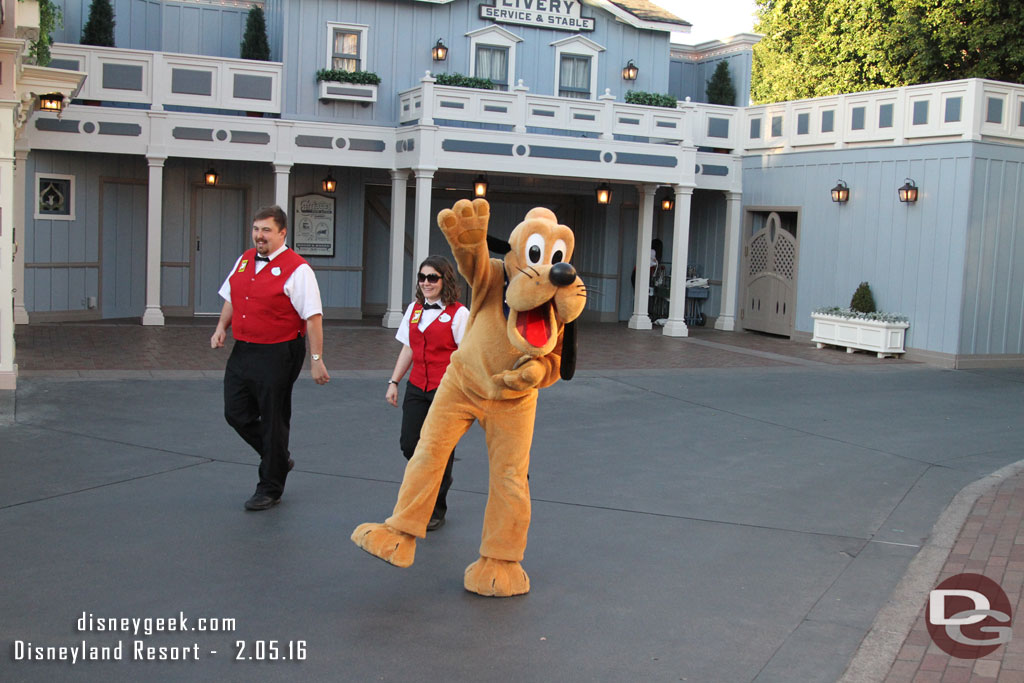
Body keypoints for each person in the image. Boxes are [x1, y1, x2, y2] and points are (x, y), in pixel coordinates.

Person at [210, 205, 330, 511]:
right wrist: (221, 328)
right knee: (235, 412)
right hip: (245, 348)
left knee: (274, 418)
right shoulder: (244, 260)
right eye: (255, 229)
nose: (259, 236)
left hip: (279, 351)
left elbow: (313, 317)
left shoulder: (298, 269)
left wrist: (316, 358)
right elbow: (231, 297)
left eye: (266, 230)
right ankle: (277, 457)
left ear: (282, 233)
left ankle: (270, 487)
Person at [386, 255, 468, 531]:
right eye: (422, 277)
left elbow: (467, 356)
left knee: (440, 448)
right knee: (410, 444)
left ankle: (436, 506)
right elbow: (408, 348)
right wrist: (394, 381)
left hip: (446, 392)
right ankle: (434, 479)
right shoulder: (414, 310)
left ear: (445, 280)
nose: (426, 283)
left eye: (432, 277)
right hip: (417, 386)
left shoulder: (459, 314)